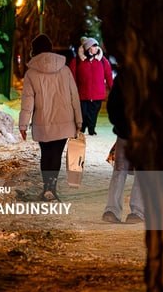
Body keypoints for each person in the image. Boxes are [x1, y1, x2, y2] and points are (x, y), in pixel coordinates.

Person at [19, 34, 83, 201]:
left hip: (43, 122)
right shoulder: (65, 69)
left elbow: (28, 101)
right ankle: (51, 188)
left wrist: (23, 125)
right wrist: (79, 121)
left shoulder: (31, 74)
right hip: (65, 121)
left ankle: (47, 187)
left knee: (45, 154)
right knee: (56, 155)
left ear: (34, 50)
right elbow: (74, 96)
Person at [102, 73, 145, 224]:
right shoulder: (153, 75)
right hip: (142, 133)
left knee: (120, 170)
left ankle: (111, 210)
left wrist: (120, 125)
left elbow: (112, 105)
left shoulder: (124, 76)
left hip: (125, 132)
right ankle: (137, 211)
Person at [69, 37, 113, 135]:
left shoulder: (103, 60)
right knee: (83, 113)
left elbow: (109, 76)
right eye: (94, 46)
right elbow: (71, 77)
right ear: (88, 48)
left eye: (96, 46)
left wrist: (113, 89)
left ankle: (91, 130)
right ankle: (82, 128)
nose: (96, 48)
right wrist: (72, 90)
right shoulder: (77, 61)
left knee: (93, 114)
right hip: (82, 94)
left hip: (97, 94)